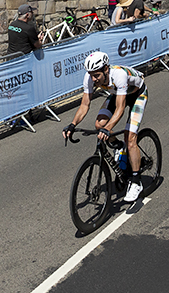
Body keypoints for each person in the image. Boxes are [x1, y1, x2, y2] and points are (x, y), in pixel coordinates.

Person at [62, 51, 148, 203]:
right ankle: (118, 146)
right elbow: (84, 104)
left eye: (97, 75)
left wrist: (108, 129)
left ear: (106, 70)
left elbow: (120, 109)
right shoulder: (90, 77)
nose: (94, 79)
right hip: (117, 93)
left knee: (130, 138)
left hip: (137, 95)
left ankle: (136, 181)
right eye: (91, 75)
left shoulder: (119, 75)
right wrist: (72, 124)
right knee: (99, 124)